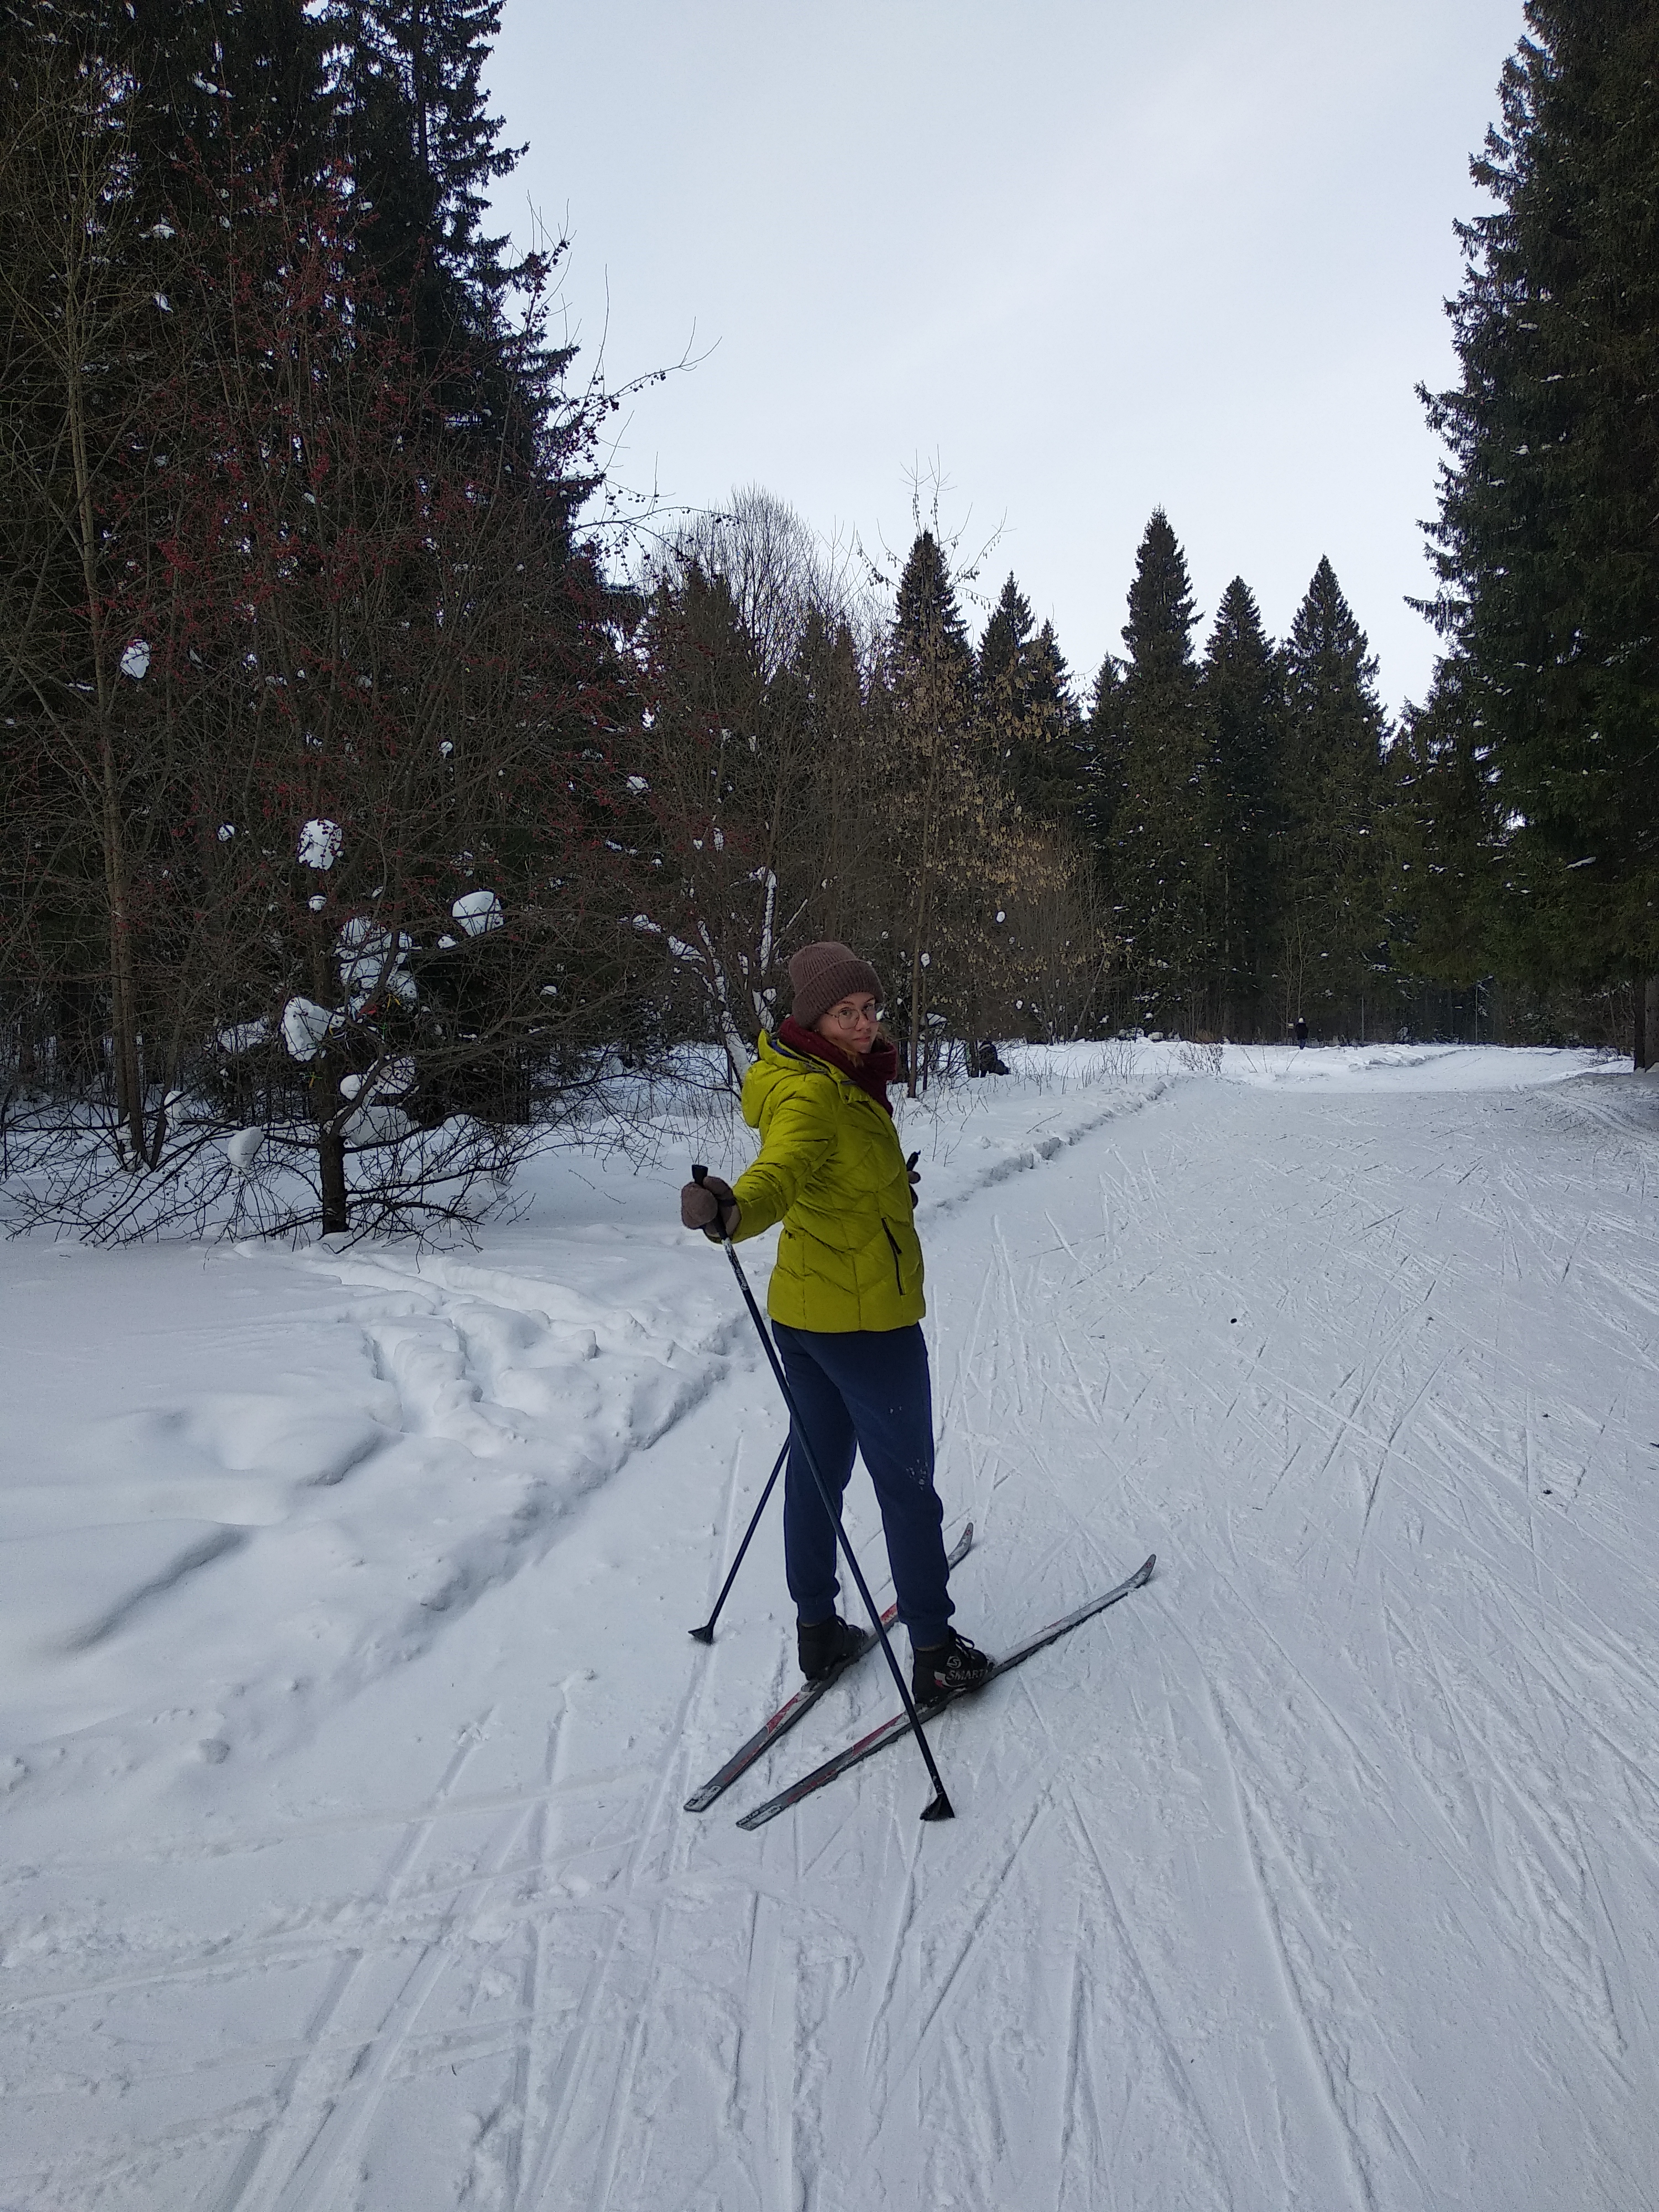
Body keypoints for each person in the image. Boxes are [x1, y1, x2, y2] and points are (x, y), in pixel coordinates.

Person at [680, 941, 992, 1709]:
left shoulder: (819, 1076)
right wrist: (735, 1209)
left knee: (817, 1470)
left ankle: (818, 1633)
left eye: (868, 1009)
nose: (863, 1025)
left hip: (806, 1317)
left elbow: (826, 1173)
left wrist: (887, 1183)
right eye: (845, 1013)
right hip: (866, 1325)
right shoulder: (816, 1095)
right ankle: (934, 1651)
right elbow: (782, 1172)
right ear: (812, 1018)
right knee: (907, 1488)